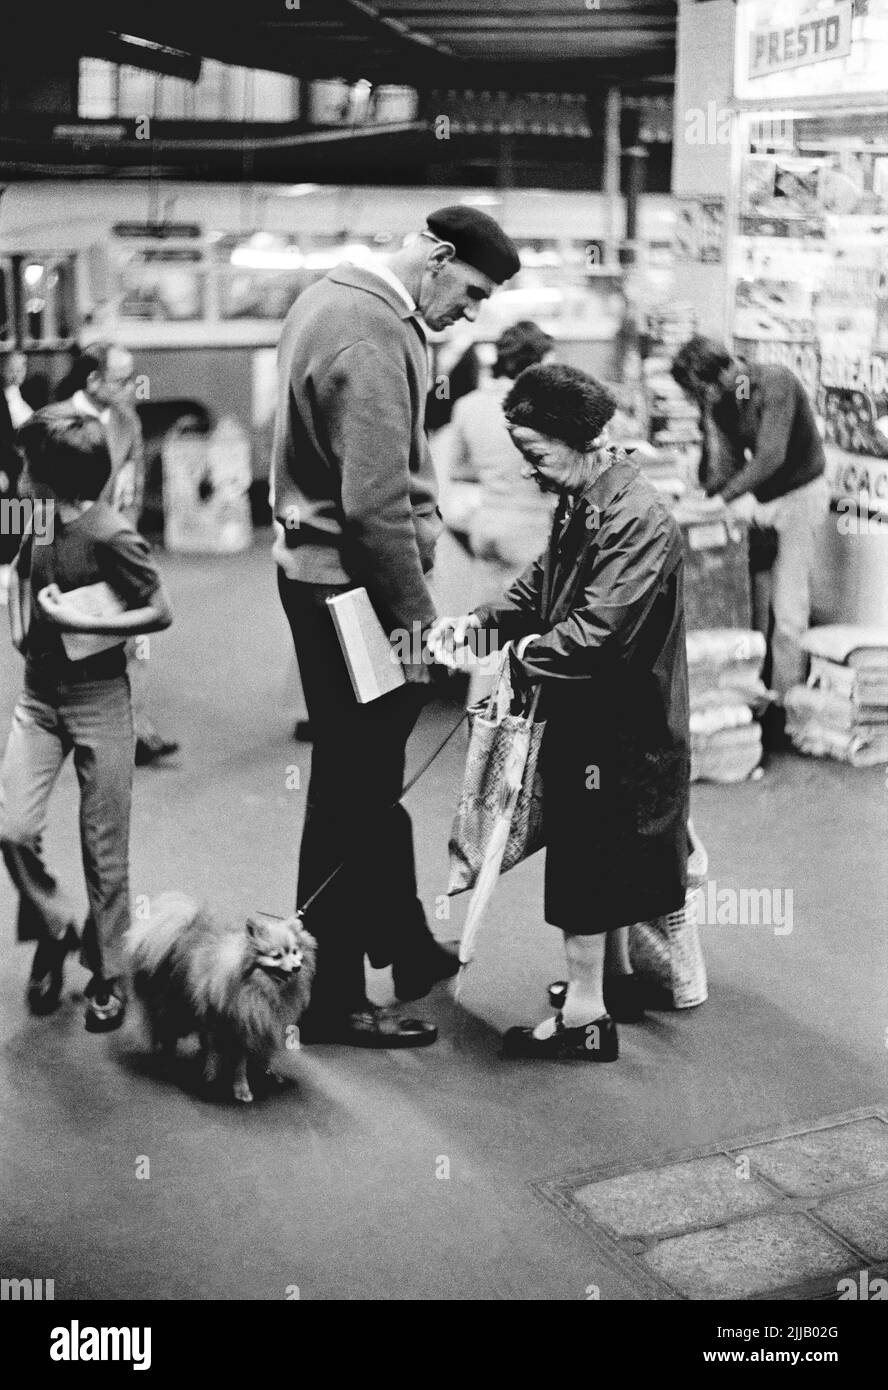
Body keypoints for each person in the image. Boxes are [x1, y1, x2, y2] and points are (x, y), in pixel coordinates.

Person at [272, 205, 521, 1048]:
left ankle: (404, 945)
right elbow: (374, 507)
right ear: (439, 258)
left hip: (327, 581)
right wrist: (422, 632)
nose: (474, 311)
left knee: (370, 777)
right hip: (353, 593)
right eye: (475, 290)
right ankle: (333, 995)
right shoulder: (372, 334)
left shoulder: (340, 297)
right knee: (349, 795)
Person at [429, 363, 690, 1061]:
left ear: (578, 441)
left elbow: (599, 633)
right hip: (593, 713)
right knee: (599, 854)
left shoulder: (639, 521)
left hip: (621, 723)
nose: (531, 473)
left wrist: (513, 663)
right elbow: (541, 591)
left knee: (588, 858)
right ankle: (611, 987)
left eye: (537, 457)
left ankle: (586, 1019)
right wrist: (479, 628)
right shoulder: (585, 502)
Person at [0, 415, 172, 1030]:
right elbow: (18, 561)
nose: (17, 477)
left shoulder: (111, 534)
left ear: (50, 480)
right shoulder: (34, 516)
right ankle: (56, 928)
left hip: (100, 698)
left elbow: (159, 610)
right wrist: (21, 617)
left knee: (104, 850)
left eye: (26, 468)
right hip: (40, 697)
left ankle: (109, 971)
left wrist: (90, 623)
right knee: (12, 827)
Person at [22, 343, 179, 766]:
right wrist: (23, 552)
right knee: (63, 645)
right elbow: (24, 494)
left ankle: (135, 731)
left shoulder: (128, 421)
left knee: (129, 642)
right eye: (121, 379)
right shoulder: (51, 421)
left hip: (111, 547)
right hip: (60, 551)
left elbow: (133, 483)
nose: (131, 388)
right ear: (92, 380)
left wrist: (123, 536)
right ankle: (64, 730)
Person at [671, 336, 829, 734]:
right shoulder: (723, 399)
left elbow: (770, 455)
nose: (705, 396)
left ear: (724, 370)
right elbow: (722, 465)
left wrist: (723, 497)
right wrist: (708, 488)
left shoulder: (776, 383)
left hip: (799, 496)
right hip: (761, 499)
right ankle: (752, 700)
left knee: (789, 610)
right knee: (749, 603)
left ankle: (786, 710)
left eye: (704, 389)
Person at [446, 321, 556, 702]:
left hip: (487, 528)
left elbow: (459, 469)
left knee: (486, 637)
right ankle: (521, 737)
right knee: (533, 641)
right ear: (538, 363)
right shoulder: (543, 408)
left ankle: (480, 729)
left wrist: (495, 472)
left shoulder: (469, 405)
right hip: (532, 533)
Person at [1, 353, 31, 599]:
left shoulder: (26, 394)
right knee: (10, 517)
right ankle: (5, 573)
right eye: (13, 368)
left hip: (29, 468)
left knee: (35, 516)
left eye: (22, 367)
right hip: (9, 470)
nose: (18, 373)